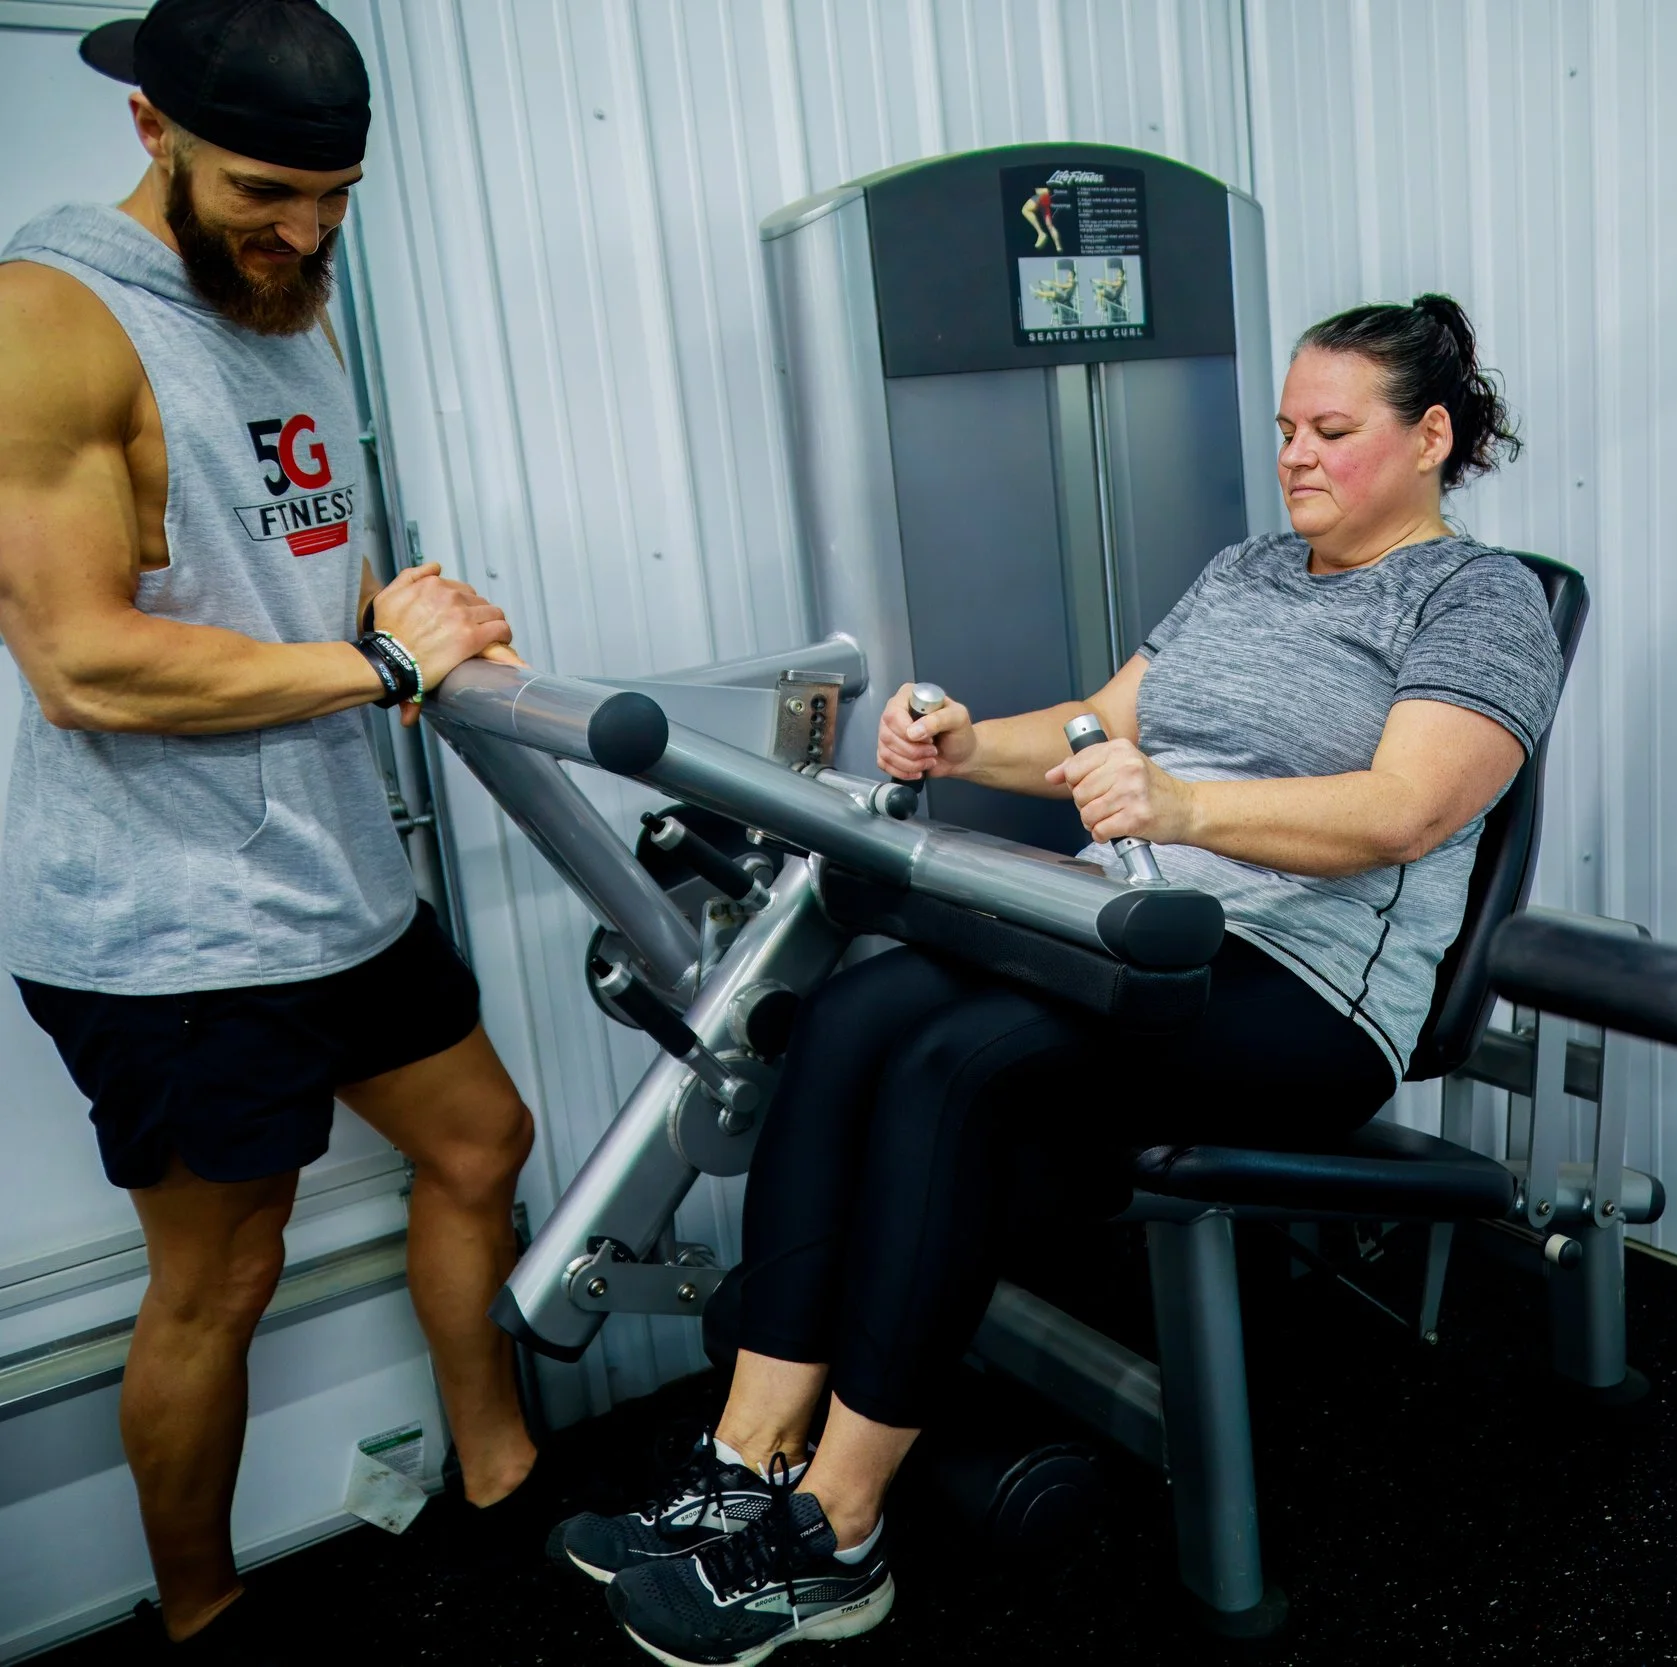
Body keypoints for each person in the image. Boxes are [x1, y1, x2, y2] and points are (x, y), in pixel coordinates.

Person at [556, 292, 1562, 1665]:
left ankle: (836, 1536)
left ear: (1431, 435)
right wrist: (966, 739)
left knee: (960, 1067)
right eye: (1284, 430)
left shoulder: (1480, 601)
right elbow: (1100, 726)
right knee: (861, 1007)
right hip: (1129, 939)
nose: (1296, 457)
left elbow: (1405, 811)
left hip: (1302, 990)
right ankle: (746, 1461)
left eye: (1333, 430)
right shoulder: (1247, 569)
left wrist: (1186, 809)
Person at [0, 2, 545, 1656]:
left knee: (478, 1144)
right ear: (155, 129)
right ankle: (201, 1610)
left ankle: (504, 1472)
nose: (304, 232)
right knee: (219, 1279)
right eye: (265, 193)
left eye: (337, 196)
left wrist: (408, 606)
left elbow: (279, 563)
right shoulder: (52, 319)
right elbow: (85, 656)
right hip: (167, 923)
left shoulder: (281, 301)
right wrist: (377, 662)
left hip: (334, 879)